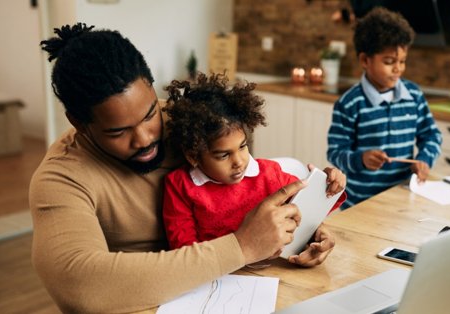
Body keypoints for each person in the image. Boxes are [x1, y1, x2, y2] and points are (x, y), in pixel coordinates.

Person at [31, 23, 337, 313]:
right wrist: (241, 247)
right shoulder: (61, 179)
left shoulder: (190, 122)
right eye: (118, 131)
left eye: (150, 113)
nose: (146, 138)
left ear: (152, 88)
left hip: (236, 288)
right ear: (79, 124)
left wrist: (302, 227)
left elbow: (246, 190)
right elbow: (82, 287)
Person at [161, 73, 346, 256]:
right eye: (223, 155)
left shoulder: (269, 174)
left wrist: (328, 184)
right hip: (216, 277)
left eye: (243, 146)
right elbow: (184, 253)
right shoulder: (180, 186)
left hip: (272, 271)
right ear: (193, 156)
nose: (239, 162)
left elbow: (308, 207)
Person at [327, 7, 442, 208]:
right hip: (359, 204)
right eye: (389, 62)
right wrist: (360, 159)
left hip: (401, 199)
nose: (398, 68)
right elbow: (336, 152)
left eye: (402, 61)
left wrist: (424, 159)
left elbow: (432, 136)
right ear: (365, 60)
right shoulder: (349, 103)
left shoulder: (413, 96)